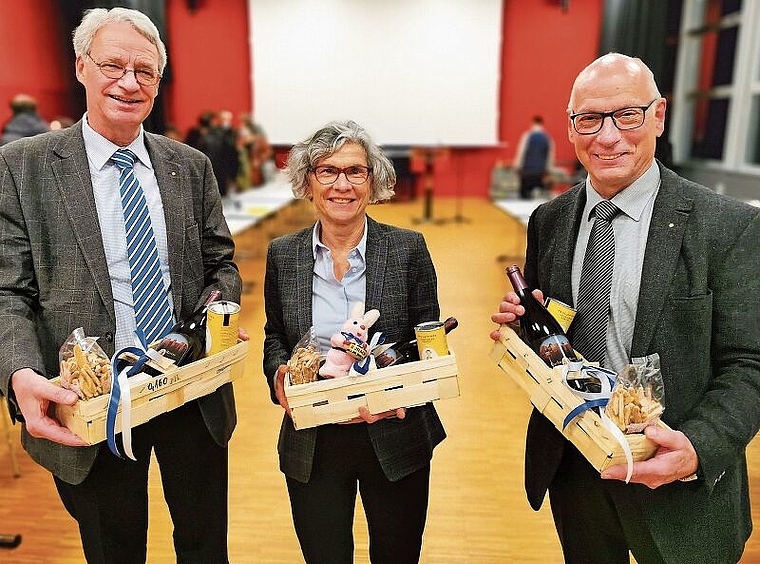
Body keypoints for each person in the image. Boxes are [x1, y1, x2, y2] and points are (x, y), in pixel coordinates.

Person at [490, 53, 760, 564]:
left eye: (626, 115)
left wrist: (699, 447)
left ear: (658, 116)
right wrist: (525, 328)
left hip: (681, 484)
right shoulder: (549, 221)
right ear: (571, 128)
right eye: (589, 119)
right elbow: (558, 336)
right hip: (578, 466)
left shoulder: (726, 227)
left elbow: (750, 363)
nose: (607, 136)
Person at [0, 7, 244, 564]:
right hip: (91, 400)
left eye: (146, 71)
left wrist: (204, 323)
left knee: (205, 547)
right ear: (81, 67)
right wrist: (18, 372)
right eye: (113, 65)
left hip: (189, 388)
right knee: (114, 551)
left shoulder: (191, 165)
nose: (129, 82)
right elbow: (5, 290)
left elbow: (220, 265)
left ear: (159, 82)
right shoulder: (21, 167)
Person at [263, 120, 446, 564]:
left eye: (355, 172)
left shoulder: (407, 249)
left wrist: (401, 394)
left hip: (394, 434)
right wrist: (280, 375)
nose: (341, 185)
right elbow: (274, 337)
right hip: (314, 437)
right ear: (308, 181)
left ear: (373, 180)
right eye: (327, 171)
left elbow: (429, 343)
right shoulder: (282, 254)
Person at [513, 115, 554, 199]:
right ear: (542, 124)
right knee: (539, 198)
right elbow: (550, 157)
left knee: (524, 198)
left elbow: (521, 152)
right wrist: (548, 171)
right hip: (540, 173)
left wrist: (517, 167)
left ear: (533, 123)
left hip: (526, 172)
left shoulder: (527, 136)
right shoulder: (547, 138)